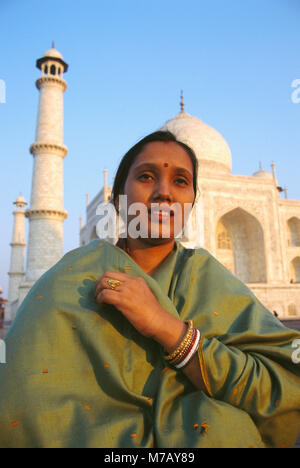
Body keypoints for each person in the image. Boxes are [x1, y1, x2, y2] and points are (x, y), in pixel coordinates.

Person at [0, 131, 299, 448]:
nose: (164, 193)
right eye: (146, 176)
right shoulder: (71, 280)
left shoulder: (211, 281)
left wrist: (171, 332)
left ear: (192, 203)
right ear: (117, 198)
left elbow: (286, 385)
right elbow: (21, 400)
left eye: (181, 181)